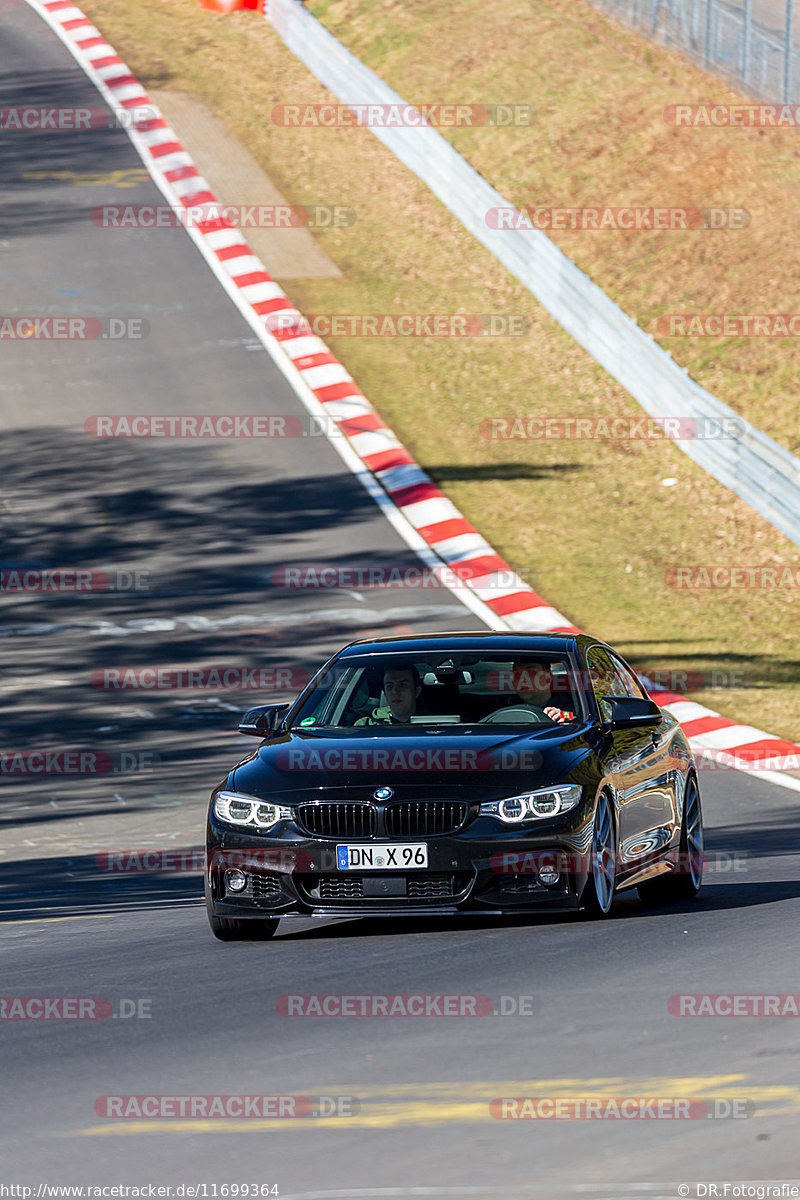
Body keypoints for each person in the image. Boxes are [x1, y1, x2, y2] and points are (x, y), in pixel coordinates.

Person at [508, 661, 575, 724]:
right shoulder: (506, 709)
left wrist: (564, 717)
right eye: (517, 674)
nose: (522, 679)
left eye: (530, 672)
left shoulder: (577, 705)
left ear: (548, 677)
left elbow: (575, 719)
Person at [355, 664, 422, 726]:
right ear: (385, 694)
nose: (395, 691)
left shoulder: (430, 725)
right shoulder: (365, 726)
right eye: (390, 686)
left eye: (402, 685)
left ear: (417, 691)